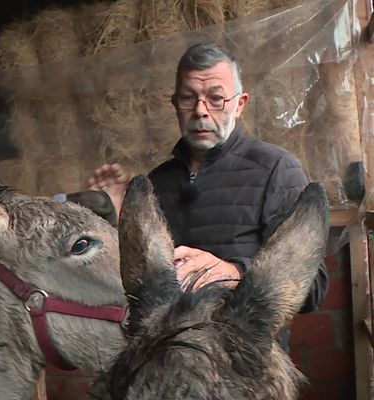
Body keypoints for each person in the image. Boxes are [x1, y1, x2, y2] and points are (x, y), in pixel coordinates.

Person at [88, 42, 328, 314]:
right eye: (189, 98)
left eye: (216, 98)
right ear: (175, 104)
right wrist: (120, 224)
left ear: (239, 105)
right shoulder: (158, 182)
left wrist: (233, 273)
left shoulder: (276, 170)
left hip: (243, 350)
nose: (201, 110)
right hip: (167, 348)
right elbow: (135, 286)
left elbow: (313, 286)